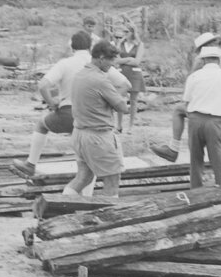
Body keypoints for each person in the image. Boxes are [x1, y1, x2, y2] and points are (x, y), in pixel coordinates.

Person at [13, 31, 130, 178]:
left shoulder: (65, 64)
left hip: (68, 113)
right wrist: (109, 102)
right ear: (90, 47)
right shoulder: (99, 64)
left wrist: (52, 103)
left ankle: (31, 163)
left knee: (42, 125)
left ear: (72, 47)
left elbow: (43, 85)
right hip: (93, 118)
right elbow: (125, 84)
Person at [150, 32, 221, 162]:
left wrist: (195, 68)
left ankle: (174, 149)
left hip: (219, 111)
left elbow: (192, 86)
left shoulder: (214, 63)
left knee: (179, 111)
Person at [64, 41, 130, 197]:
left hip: (79, 134)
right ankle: (110, 212)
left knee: (83, 177)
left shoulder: (80, 75)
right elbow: (123, 107)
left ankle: (59, 205)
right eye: (111, 60)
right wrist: (120, 95)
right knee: (112, 180)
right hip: (98, 136)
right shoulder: (100, 80)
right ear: (101, 58)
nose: (113, 64)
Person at [183, 46, 221, 188]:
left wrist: (192, 118)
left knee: (195, 160)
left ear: (203, 60)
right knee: (219, 161)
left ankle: (195, 190)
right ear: (219, 60)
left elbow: (186, 103)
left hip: (195, 119)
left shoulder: (194, 77)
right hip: (217, 120)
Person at [114, 22, 145, 132]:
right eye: (123, 31)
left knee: (133, 101)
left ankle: (131, 126)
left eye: (126, 31)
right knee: (120, 99)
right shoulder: (120, 44)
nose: (124, 34)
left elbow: (137, 62)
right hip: (122, 73)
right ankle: (119, 125)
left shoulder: (139, 44)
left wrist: (123, 61)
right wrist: (128, 59)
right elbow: (116, 60)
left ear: (132, 32)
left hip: (134, 74)